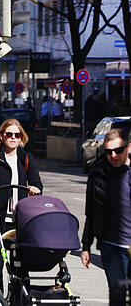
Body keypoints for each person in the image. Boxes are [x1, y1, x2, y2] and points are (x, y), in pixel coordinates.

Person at [0, 119, 43, 292]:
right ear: (1, 136)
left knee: (20, 268)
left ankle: (20, 299)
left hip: (19, 221)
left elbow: (37, 183)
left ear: (21, 137)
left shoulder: (26, 158)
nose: (13, 138)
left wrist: (35, 190)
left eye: (17, 135)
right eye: (9, 134)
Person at [81, 128, 131, 305]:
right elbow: (91, 211)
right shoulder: (98, 172)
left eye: (118, 150)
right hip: (111, 245)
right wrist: (86, 246)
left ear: (128, 147)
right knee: (117, 293)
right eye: (109, 152)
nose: (113, 156)